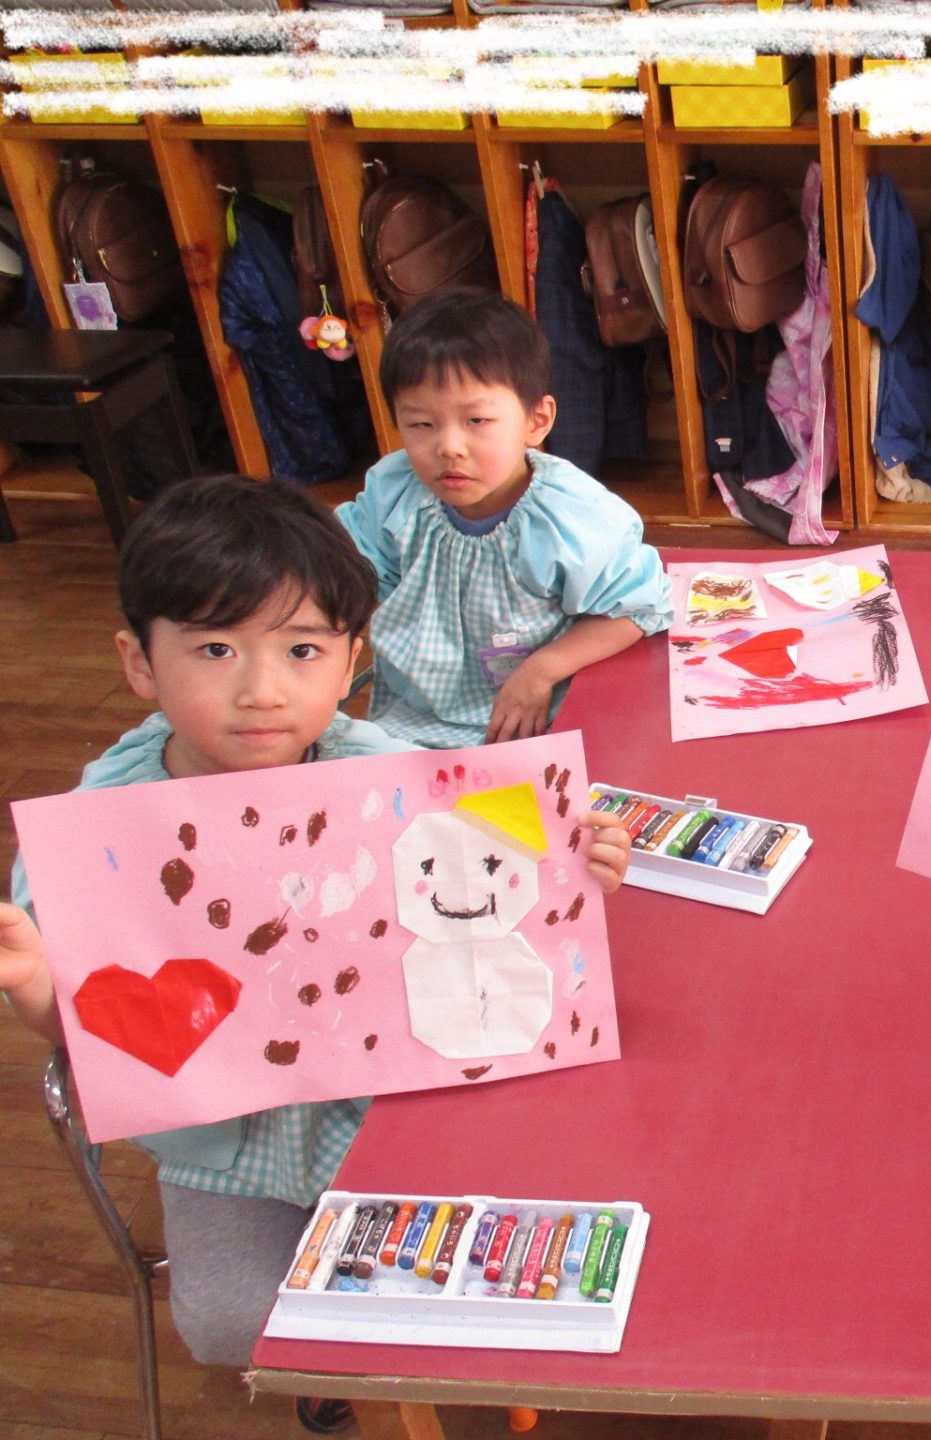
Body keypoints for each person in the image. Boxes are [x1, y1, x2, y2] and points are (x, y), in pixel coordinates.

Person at [0, 476, 635, 1434]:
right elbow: (89, 1035)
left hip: (386, 1103)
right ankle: (353, 1369)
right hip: (221, 1141)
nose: (262, 690)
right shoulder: (96, 831)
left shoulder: (378, 771)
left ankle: (400, 1362)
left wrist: (578, 863)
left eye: (302, 651)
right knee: (229, 1319)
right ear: (140, 663)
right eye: (215, 650)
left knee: (479, 1275)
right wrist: (35, 985)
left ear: (349, 663)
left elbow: (501, 896)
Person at [337, 289, 672, 749]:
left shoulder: (570, 517)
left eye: (476, 420)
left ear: (537, 420)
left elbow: (637, 609)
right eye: (421, 424)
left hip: (536, 717)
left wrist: (542, 670)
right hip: (413, 715)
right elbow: (348, 572)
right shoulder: (395, 492)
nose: (448, 447)